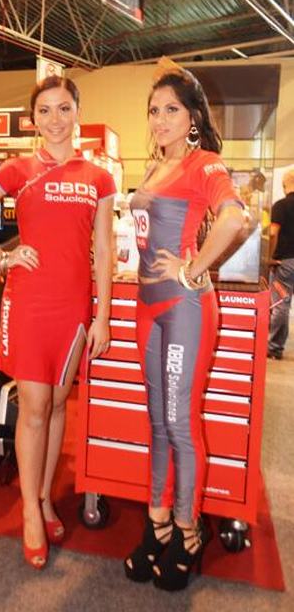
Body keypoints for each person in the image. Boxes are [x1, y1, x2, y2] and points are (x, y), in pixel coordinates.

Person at [0, 76, 116, 569]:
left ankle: (44, 499)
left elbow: (104, 248)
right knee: (36, 407)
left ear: (77, 112)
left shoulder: (99, 177)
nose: (55, 119)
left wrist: (103, 315)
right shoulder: (18, 169)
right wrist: (1, 258)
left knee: (59, 404)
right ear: (33, 119)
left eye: (64, 108)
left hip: (74, 308)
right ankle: (28, 510)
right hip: (28, 303)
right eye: (45, 110)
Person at [125, 60, 246, 591]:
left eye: (171, 110)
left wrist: (193, 269)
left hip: (184, 309)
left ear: (193, 117)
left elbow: (236, 217)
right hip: (146, 307)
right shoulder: (154, 168)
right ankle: (157, 525)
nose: (159, 120)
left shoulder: (205, 163)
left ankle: (188, 532)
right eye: (154, 111)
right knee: (156, 422)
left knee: (178, 422)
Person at [267, 166, 294, 360]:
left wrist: (269, 256)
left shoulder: (281, 206)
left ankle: (275, 348)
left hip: (285, 262)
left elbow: (273, 233)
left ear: (285, 185)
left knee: (281, 303)